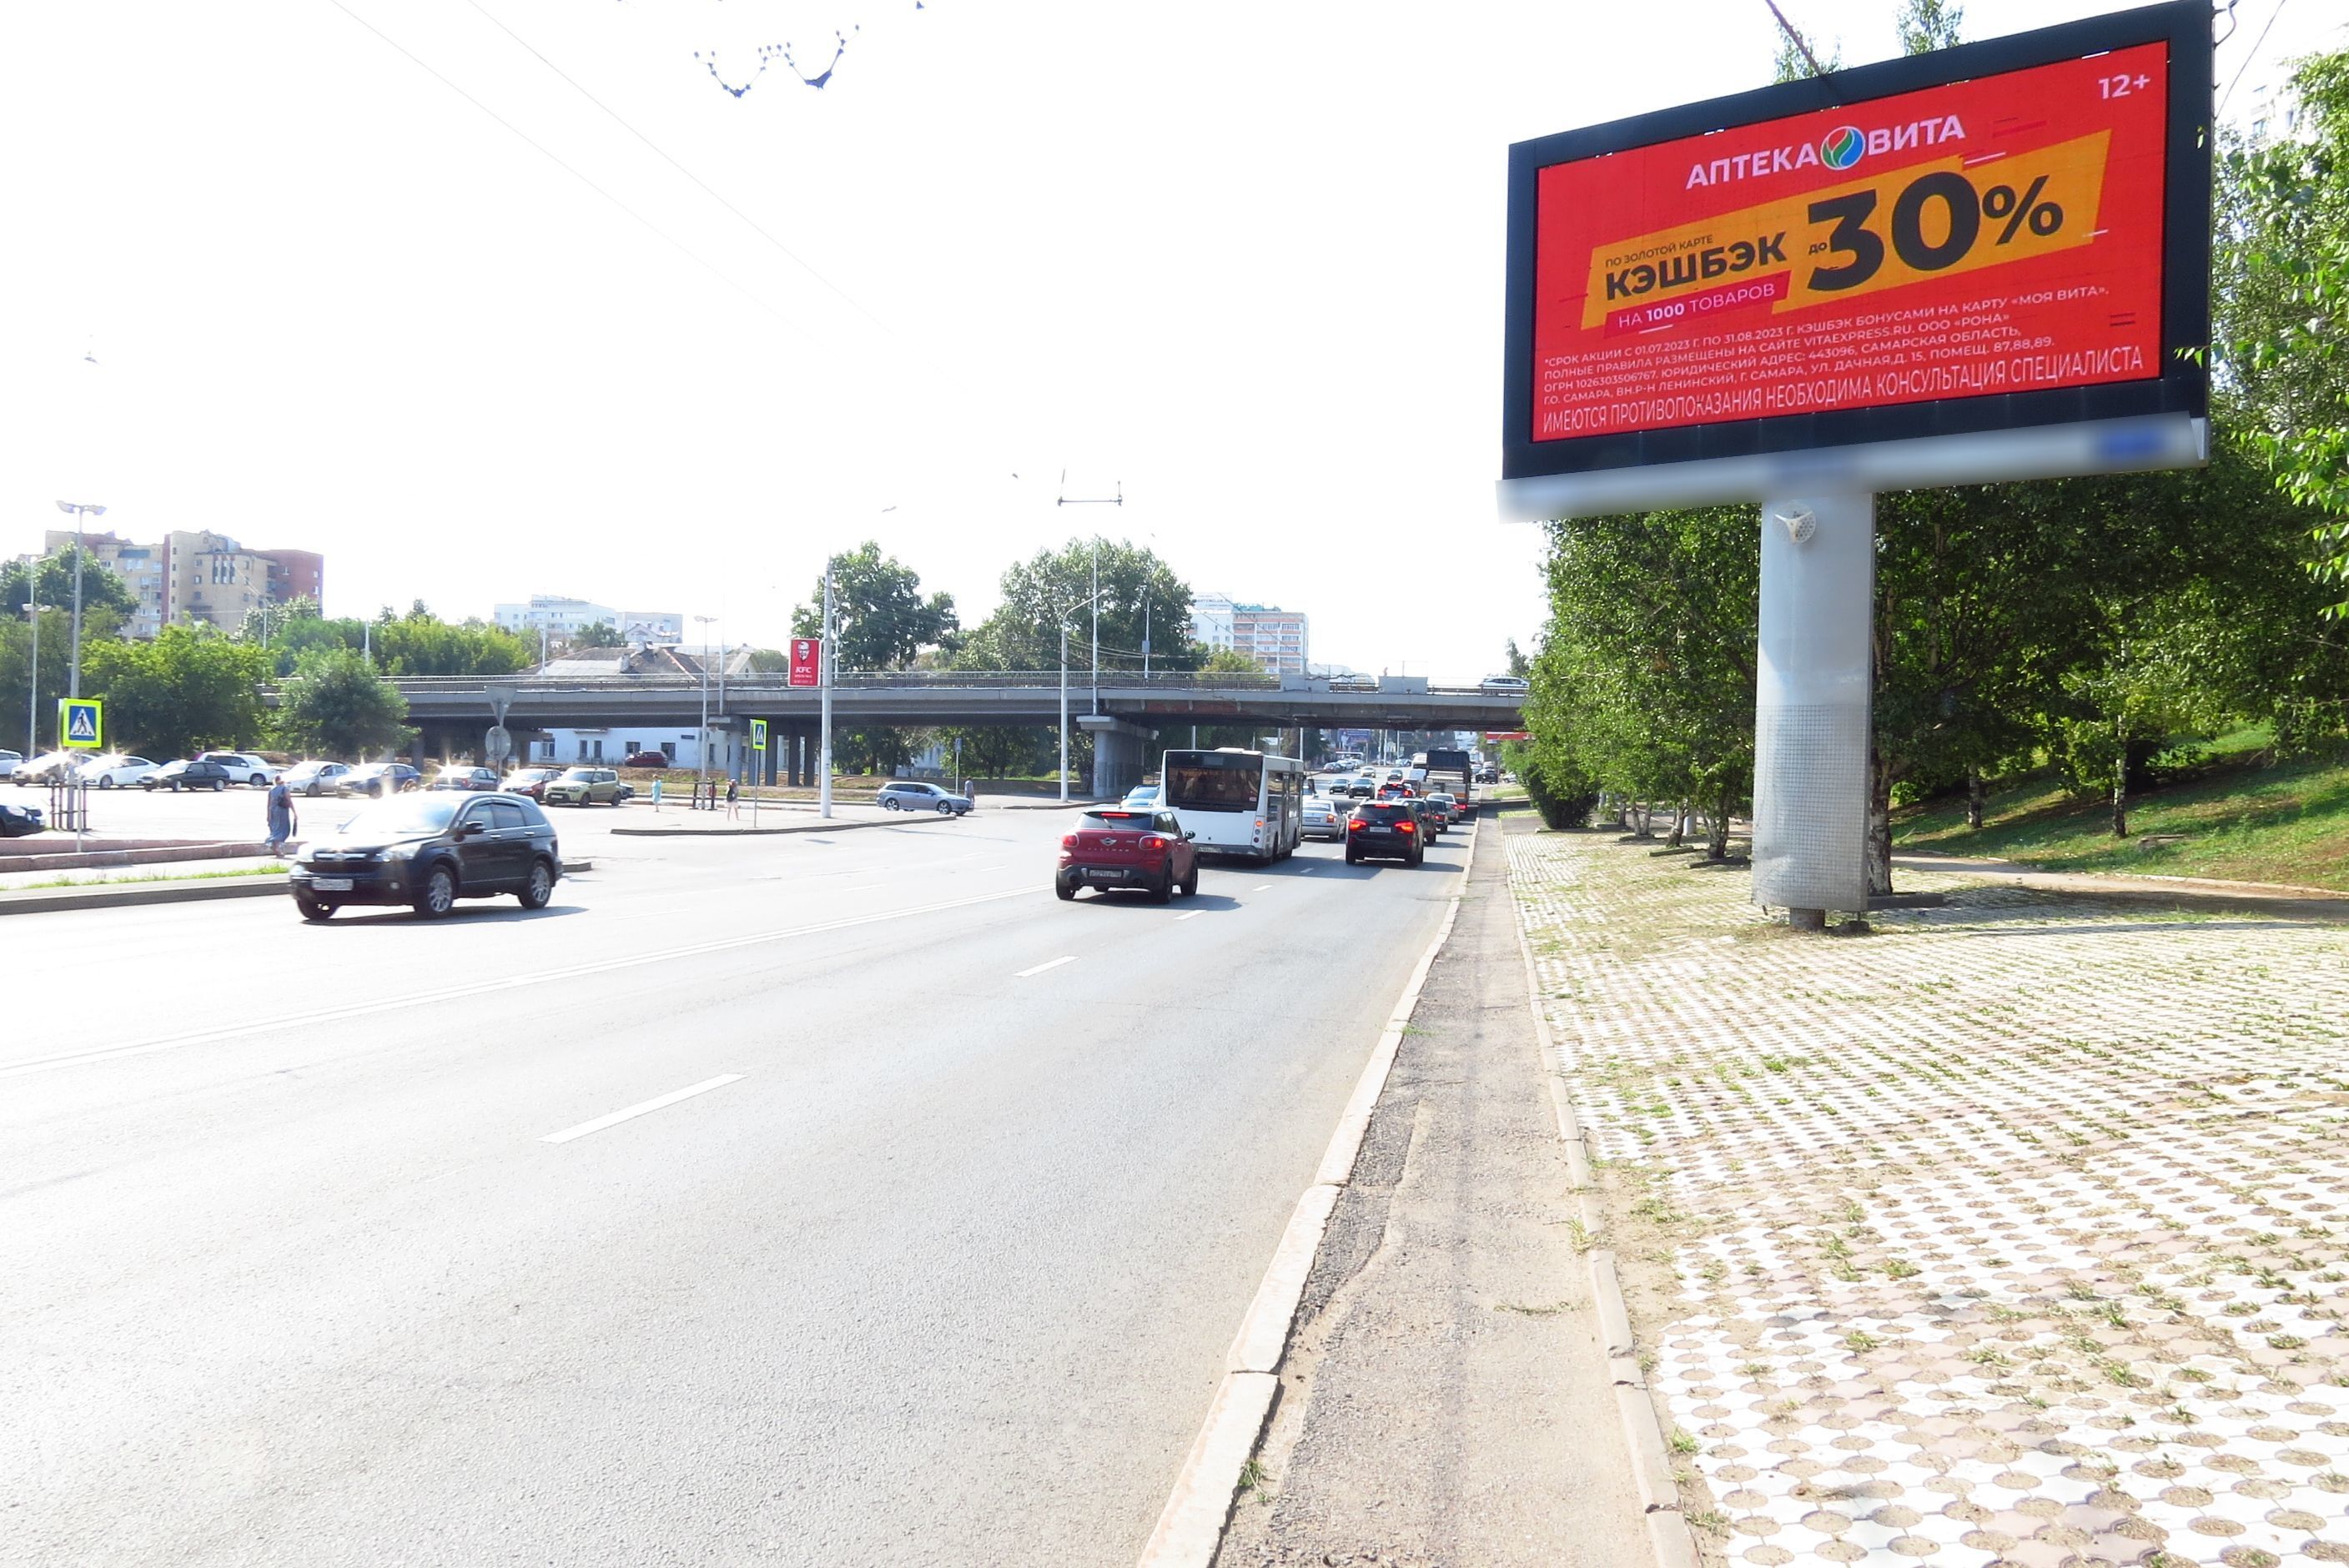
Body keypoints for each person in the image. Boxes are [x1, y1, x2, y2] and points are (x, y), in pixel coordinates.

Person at [265, 776, 297, 856]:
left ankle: (276, 848)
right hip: (282, 812)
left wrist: (268, 815)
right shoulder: (285, 789)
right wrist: (294, 813)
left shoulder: (272, 790)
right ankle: (275, 845)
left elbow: (268, 804)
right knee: (283, 829)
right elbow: (289, 801)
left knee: (275, 828)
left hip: (273, 811)